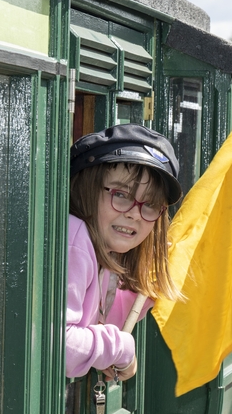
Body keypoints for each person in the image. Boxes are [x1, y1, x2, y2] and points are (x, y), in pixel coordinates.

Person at [65, 124, 185, 382]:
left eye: (150, 204)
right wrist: (122, 349)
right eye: (121, 194)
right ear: (84, 187)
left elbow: (109, 320)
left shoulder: (105, 255)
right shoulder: (74, 237)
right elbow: (61, 345)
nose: (133, 212)